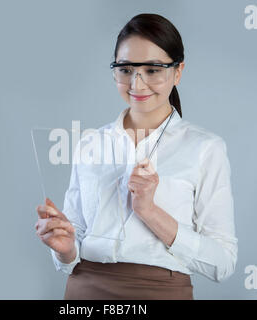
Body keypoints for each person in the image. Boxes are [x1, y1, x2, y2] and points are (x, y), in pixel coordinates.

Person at [35, 13, 238, 300]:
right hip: (85, 292)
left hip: (161, 292)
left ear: (178, 71)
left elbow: (223, 263)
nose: (137, 84)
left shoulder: (205, 148)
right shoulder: (91, 144)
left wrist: (150, 212)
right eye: (126, 69)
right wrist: (66, 248)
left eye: (153, 70)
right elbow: (75, 242)